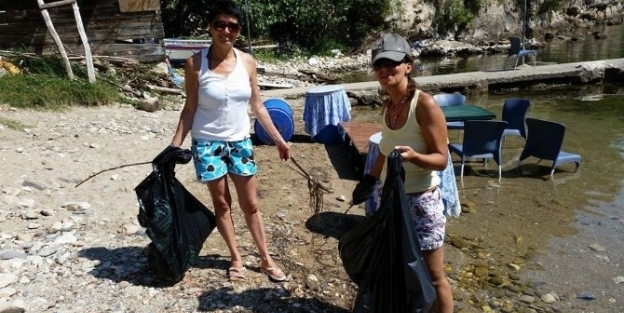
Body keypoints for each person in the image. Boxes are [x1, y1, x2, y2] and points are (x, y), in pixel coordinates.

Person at [170, 0, 290, 282]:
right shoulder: (194, 63)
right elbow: (189, 109)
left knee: (251, 205)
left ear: (238, 31)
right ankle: (235, 257)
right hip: (207, 143)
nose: (227, 30)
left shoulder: (247, 61)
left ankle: (265, 259)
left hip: (240, 143)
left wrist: (279, 140)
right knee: (222, 205)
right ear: (210, 28)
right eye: (220, 25)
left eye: (233, 26)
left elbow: (258, 106)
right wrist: (173, 147)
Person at [351, 33, 454, 313]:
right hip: (393, 201)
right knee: (401, 270)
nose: (385, 69)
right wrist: (370, 180)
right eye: (379, 65)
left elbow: (442, 159)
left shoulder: (425, 105)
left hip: (422, 202)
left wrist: (415, 157)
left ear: (408, 65)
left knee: (434, 275)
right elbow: (384, 150)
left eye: (392, 63)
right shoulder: (388, 105)